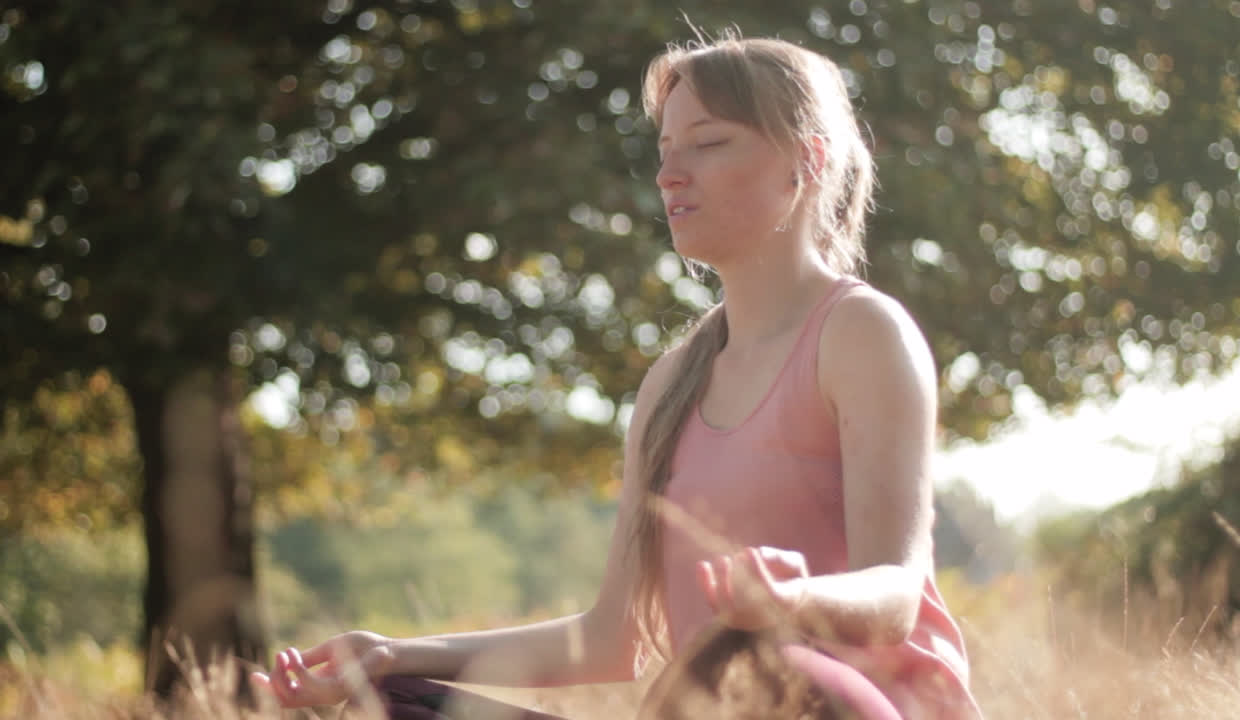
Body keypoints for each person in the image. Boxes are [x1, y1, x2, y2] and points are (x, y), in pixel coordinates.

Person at [252, 31, 983, 720]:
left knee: (759, 657)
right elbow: (614, 637)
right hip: (704, 706)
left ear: (807, 161)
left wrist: (792, 603)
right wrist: (389, 655)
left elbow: (897, 593)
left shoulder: (860, 333)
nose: (670, 174)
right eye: (665, 149)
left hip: (845, 705)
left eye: (709, 144)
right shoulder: (673, 381)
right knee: (382, 703)